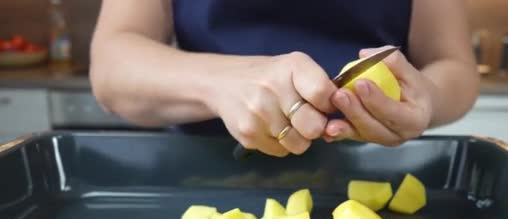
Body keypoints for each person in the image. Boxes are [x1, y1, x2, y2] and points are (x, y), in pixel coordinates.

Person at [90, 0, 479, 157]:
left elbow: (454, 64)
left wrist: (427, 97)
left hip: (376, 175)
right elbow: (112, 64)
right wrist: (220, 83)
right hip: (201, 172)